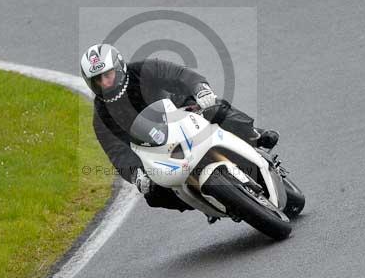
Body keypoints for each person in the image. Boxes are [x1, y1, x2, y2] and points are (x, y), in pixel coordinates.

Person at [80, 44, 279, 212]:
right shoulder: (101, 116)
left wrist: (200, 89)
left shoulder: (143, 70)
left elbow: (179, 74)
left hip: (183, 111)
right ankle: (202, 202)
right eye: (98, 79)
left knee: (214, 109)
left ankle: (254, 136)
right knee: (153, 194)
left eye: (108, 74)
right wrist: (135, 174)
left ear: (119, 67)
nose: (105, 82)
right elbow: (117, 153)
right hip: (157, 148)